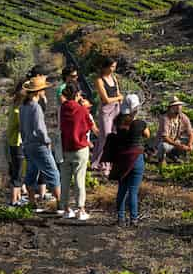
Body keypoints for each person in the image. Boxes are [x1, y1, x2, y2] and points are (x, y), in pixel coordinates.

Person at [104, 94, 149, 226]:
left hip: (122, 158)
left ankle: (121, 218)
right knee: (133, 190)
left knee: (122, 189)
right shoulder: (140, 124)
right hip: (136, 158)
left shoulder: (118, 122)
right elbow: (147, 135)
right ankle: (134, 219)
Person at [19, 75, 60, 210]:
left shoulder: (23, 106)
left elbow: (22, 128)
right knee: (53, 172)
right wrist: (47, 141)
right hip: (38, 144)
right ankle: (61, 203)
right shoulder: (35, 107)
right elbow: (40, 129)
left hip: (28, 144)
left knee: (31, 173)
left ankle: (32, 202)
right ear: (39, 91)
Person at [58, 82, 98, 220]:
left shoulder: (63, 108)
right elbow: (88, 126)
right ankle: (80, 209)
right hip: (80, 147)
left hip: (65, 147)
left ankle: (65, 209)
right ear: (77, 94)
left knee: (65, 180)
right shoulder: (81, 110)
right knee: (79, 180)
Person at [91, 58, 124, 175]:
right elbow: (105, 99)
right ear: (105, 67)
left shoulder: (113, 78)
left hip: (116, 108)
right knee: (105, 136)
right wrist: (119, 98)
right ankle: (103, 165)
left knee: (114, 135)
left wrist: (119, 99)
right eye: (111, 67)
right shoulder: (99, 80)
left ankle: (110, 163)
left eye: (114, 67)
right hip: (106, 110)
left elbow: (118, 92)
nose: (113, 69)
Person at [4, 80, 26, 206]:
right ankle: (13, 200)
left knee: (16, 171)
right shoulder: (18, 110)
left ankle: (17, 198)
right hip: (16, 142)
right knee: (17, 173)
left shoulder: (14, 106)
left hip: (13, 142)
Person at [156, 96, 193, 163]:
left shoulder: (183, 117)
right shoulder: (165, 118)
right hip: (168, 142)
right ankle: (161, 159)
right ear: (170, 108)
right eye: (175, 106)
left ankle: (177, 156)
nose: (178, 108)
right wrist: (179, 146)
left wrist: (189, 144)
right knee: (163, 146)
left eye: (179, 105)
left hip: (177, 141)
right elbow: (165, 137)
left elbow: (190, 133)